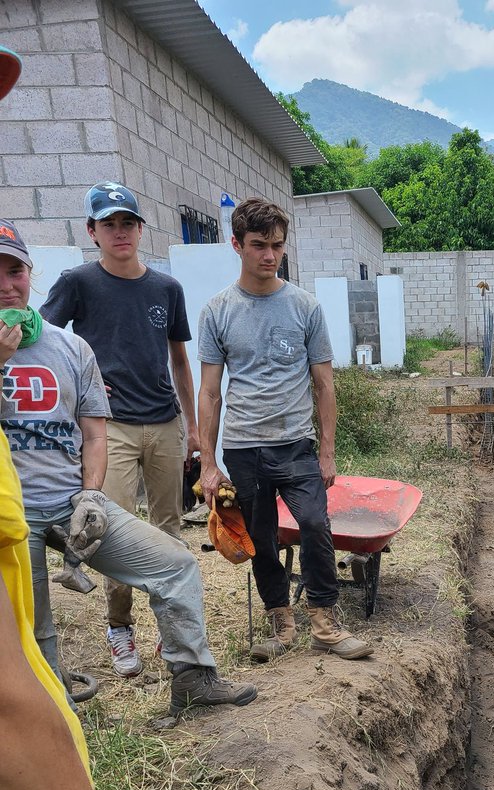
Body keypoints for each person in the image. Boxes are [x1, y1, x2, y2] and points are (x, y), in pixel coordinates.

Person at [0, 47, 185, 790]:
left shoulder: (64, 347)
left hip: (80, 502)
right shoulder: (70, 306)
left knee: (167, 572)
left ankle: (190, 666)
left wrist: (84, 503)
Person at [0, 220, 257, 718]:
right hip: (10, 517)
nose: (5, 284)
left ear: (30, 274)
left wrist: (91, 495)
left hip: (69, 504)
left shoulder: (71, 349)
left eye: (14, 270)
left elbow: (95, 434)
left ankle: (193, 679)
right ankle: (51, 722)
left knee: (175, 564)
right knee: (36, 626)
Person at [197, 197, 372, 662]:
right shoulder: (218, 311)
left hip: (295, 444)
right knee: (262, 536)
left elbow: (324, 384)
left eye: (277, 245)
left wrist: (328, 452)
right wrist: (208, 462)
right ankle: (281, 621)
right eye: (258, 245)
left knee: (315, 523)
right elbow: (210, 392)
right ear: (237, 245)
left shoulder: (305, 308)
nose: (269, 255)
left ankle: (324, 621)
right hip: (243, 447)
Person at [41, 181, 200, 678]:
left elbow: (180, 360)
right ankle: (119, 628)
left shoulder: (166, 289)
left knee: (169, 532)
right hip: (110, 430)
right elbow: (42, 343)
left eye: (127, 222)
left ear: (139, 228)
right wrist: (78, 389)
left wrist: (193, 427)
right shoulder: (78, 283)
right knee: (111, 532)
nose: (119, 232)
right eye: (108, 223)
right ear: (92, 231)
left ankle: (171, 632)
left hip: (165, 423)